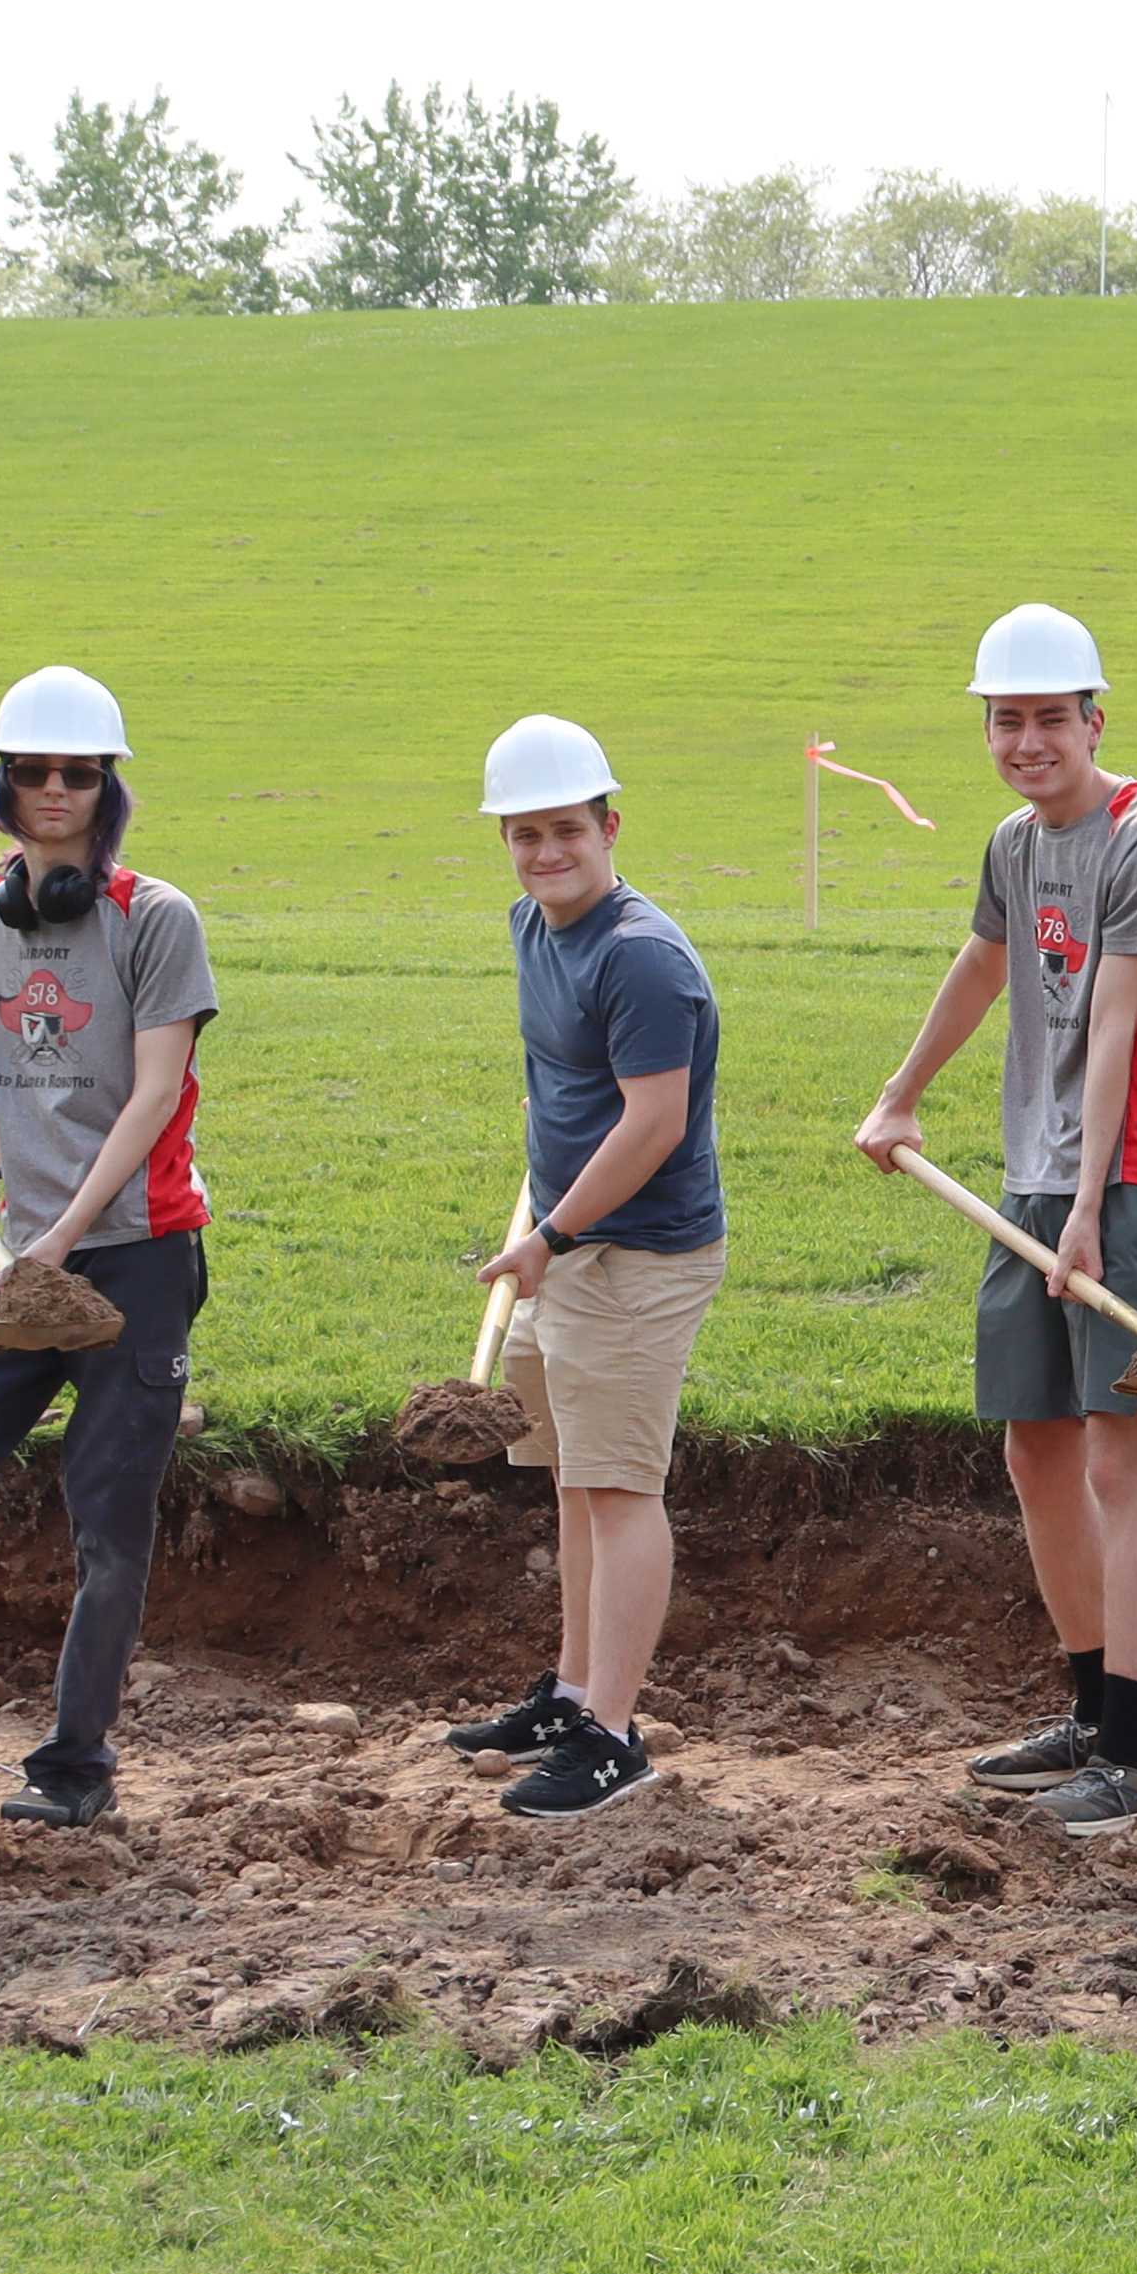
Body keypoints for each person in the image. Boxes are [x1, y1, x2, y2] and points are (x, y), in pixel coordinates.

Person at [851, 601, 1137, 1832]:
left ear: (1094, 719)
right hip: (1037, 1176)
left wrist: (1091, 1212)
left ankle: (1135, 1752)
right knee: (1035, 1446)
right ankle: (1086, 1701)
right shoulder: (1017, 842)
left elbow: (1114, 1024)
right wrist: (901, 1097)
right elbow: (984, 963)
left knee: (1123, 1451)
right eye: (1005, 720)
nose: (1025, 741)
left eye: (1048, 718)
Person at [0, 664, 215, 1826]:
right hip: (16, 1263)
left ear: (107, 787)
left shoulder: (155, 919)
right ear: (2, 784)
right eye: (31, 771)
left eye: (77, 772)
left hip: (136, 1255)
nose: (53, 788)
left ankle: (74, 1766)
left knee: (106, 1520)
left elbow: (158, 1091)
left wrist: (61, 1233)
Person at [447, 715, 724, 1822]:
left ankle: (615, 1739)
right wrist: (543, 1204)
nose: (546, 851)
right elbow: (553, 1082)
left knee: (619, 1487)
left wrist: (551, 1238)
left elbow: (653, 1123)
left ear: (610, 826)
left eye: (566, 829)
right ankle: (571, 1698)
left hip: (634, 1255)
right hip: (565, 1239)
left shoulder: (643, 959)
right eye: (525, 833)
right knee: (570, 1475)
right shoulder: (532, 925)